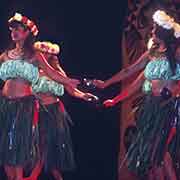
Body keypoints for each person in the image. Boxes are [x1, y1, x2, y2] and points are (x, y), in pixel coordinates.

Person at [94, 10, 180, 179]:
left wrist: (173, 92)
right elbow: (129, 72)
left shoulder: (176, 55)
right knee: (152, 156)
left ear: (162, 33)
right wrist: (107, 86)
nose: (152, 31)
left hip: (166, 107)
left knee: (159, 151)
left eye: (155, 29)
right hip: (149, 107)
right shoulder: (151, 54)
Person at [0, 12, 80, 180]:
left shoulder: (35, 55)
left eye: (19, 29)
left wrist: (68, 81)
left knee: (18, 148)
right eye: (13, 29)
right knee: (6, 149)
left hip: (23, 106)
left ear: (27, 33)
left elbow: (52, 73)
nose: (14, 32)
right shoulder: (4, 55)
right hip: (5, 105)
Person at [23, 41, 97, 180]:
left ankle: (34, 176)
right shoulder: (33, 72)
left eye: (48, 54)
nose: (44, 55)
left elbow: (72, 90)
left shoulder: (58, 72)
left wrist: (83, 95)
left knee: (47, 146)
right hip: (37, 112)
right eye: (42, 53)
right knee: (40, 147)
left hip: (53, 113)